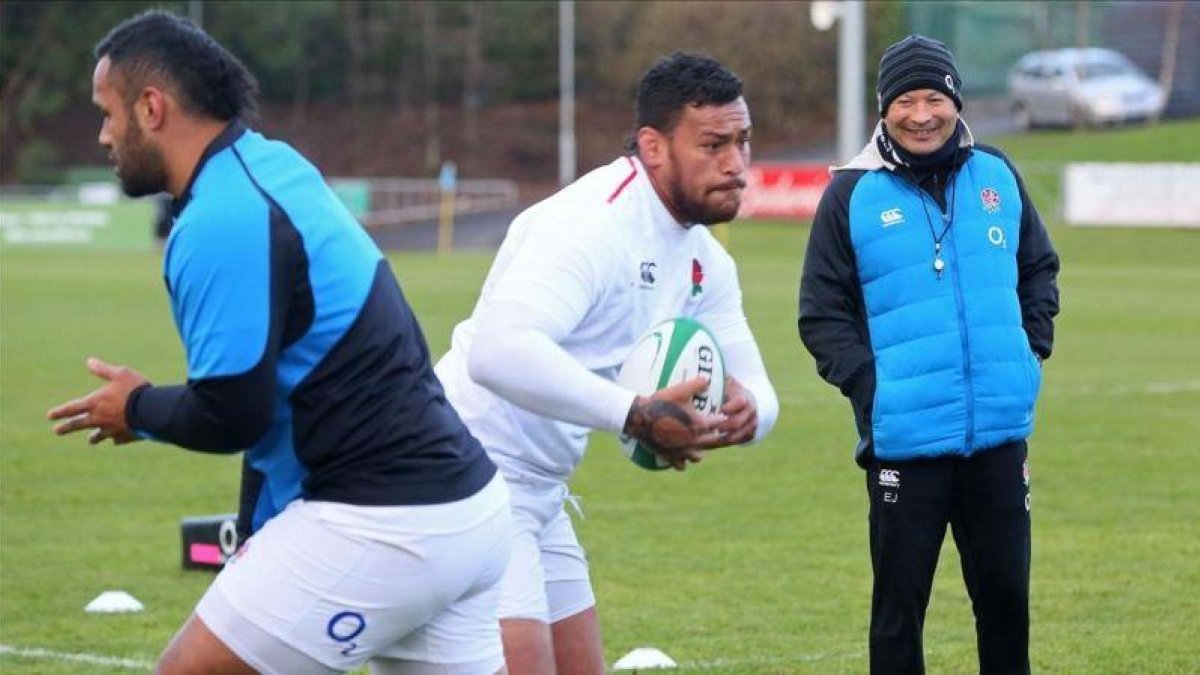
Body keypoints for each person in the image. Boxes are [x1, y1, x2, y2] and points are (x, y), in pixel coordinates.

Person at [46, 11, 511, 675]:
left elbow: (233, 412)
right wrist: (254, 555)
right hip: (466, 511)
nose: (101, 134)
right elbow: (272, 416)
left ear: (151, 108)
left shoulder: (221, 218)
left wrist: (137, 407)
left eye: (107, 113)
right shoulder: (271, 166)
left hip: (383, 523)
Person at [433, 52, 780, 673]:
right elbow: (497, 350)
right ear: (653, 146)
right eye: (713, 145)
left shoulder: (705, 259)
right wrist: (635, 414)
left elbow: (755, 380)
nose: (736, 163)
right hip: (464, 476)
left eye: (743, 141)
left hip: (540, 489)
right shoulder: (590, 224)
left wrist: (748, 414)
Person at [798, 35, 1060, 675]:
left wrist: (1029, 353)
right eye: (906, 100)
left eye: (934, 97)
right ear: (883, 109)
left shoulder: (996, 173)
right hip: (905, 445)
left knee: (1006, 603)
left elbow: (1039, 269)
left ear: (956, 102)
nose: (922, 114)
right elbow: (820, 313)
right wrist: (872, 389)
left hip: (998, 439)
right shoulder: (850, 195)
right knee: (898, 614)